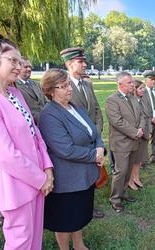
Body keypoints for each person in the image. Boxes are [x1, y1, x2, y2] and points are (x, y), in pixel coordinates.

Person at [0, 34, 54, 250]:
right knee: (20, 244)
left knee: (35, 241)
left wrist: (47, 167)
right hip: (15, 187)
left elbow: (35, 133)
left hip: (36, 180)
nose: (19, 66)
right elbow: (6, 154)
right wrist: (41, 179)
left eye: (20, 61)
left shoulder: (15, 93)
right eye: (13, 61)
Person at [39, 68, 105, 250]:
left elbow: (93, 130)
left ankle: (78, 244)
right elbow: (65, 149)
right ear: (51, 91)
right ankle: (64, 248)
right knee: (65, 219)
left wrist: (100, 145)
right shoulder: (49, 114)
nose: (69, 89)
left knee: (79, 215)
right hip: (67, 180)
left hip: (84, 175)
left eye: (69, 84)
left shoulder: (76, 106)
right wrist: (95, 155)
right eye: (64, 86)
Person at [60, 47, 104, 219]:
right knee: (80, 177)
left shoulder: (86, 84)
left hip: (93, 140)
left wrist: (97, 134)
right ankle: (82, 208)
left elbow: (97, 110)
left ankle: (89, 206)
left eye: (84, 61)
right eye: (81, 62)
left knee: (92, 175)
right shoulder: (63, 87)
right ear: (69, 64)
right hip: (76, 144)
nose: (85, 64)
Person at [106, 72, 145, 213]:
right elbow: (117, 122)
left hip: (134, 141)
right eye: (129, 82)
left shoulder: (133, 98)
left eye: (132, 82)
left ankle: (123, 192)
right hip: (121, 143)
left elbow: (141, 114)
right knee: (120, 171)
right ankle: (115, 199)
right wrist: (135, 132)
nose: (132, 85)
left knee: (128, 170)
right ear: (120, 84)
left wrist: (141, 128)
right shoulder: (112, 100)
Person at [128, 80, 149, 190]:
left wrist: (148, 131)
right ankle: (130, 180)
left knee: (139, 159)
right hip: (136, 133)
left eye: (143, 88)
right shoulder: (131, 101)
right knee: (133, 159)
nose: (143, 90)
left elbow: (147, 116)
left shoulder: (143, 100)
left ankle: (136, 177)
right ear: (135, 89)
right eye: (141, 88)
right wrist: (138, 131)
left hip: (144, 132)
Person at [15, 56, 47, 124]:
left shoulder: (37, 84)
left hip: (46, 121)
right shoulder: (14, 86)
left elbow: (45, 101)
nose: (29, 69)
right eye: (26, 67)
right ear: (18, 68)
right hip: (30, 123)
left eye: (30, 67)